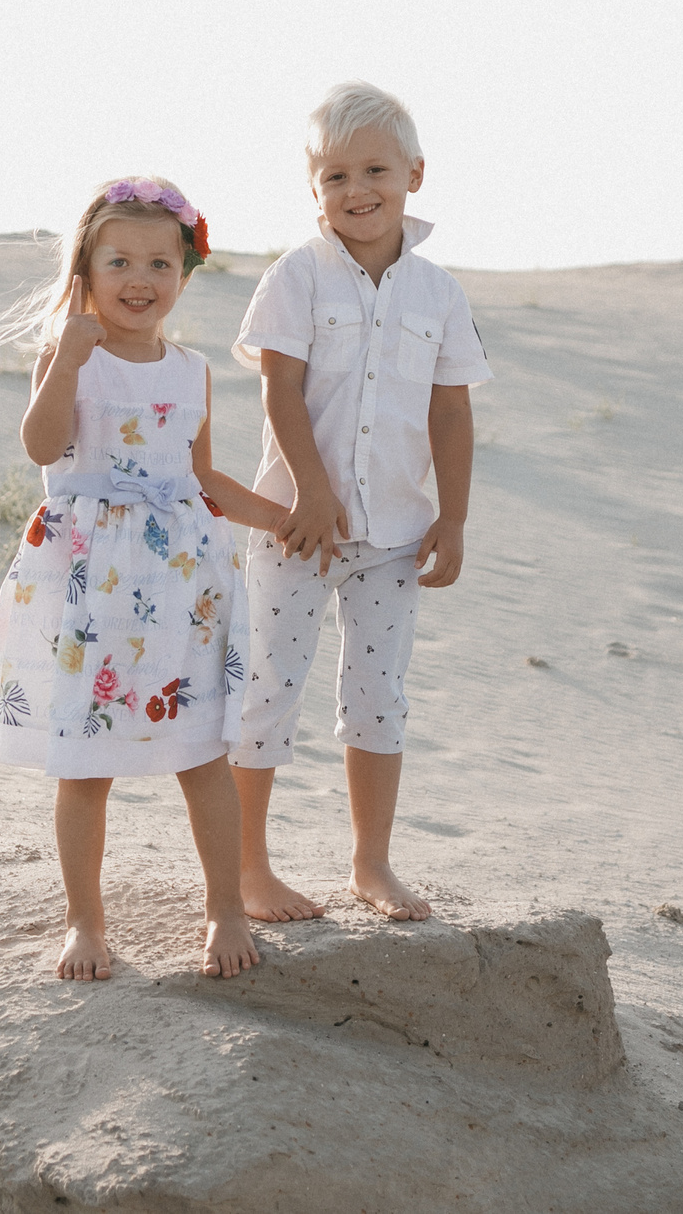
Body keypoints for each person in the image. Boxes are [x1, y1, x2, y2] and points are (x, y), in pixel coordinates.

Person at [0, 177, 291, 980]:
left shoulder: (192, 371)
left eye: (160, 262)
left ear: (184, 273)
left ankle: (222, 907)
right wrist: (68, 359)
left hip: (182, 586)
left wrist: (284, 518)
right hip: (92, 586)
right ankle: (85, 921)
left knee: (203, 750)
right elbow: (44, 449)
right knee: (85, 762)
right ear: (85, 269)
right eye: (119, 261)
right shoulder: (68, 355)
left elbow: (204, 478)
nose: (140, 279)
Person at [229, 83, 491, 922]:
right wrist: (309, 490)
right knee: (269, 685)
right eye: (334, 175)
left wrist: (451, 517)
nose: (356, 189)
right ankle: (248, 869)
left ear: (414, 172)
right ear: (314, 190)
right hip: (295, 526)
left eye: (374, 168)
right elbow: (281, 390)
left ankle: (370, 863)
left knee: (379, 692)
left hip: (395, 534)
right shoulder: (295, 277)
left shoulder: (439, 294)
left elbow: (451, 409)